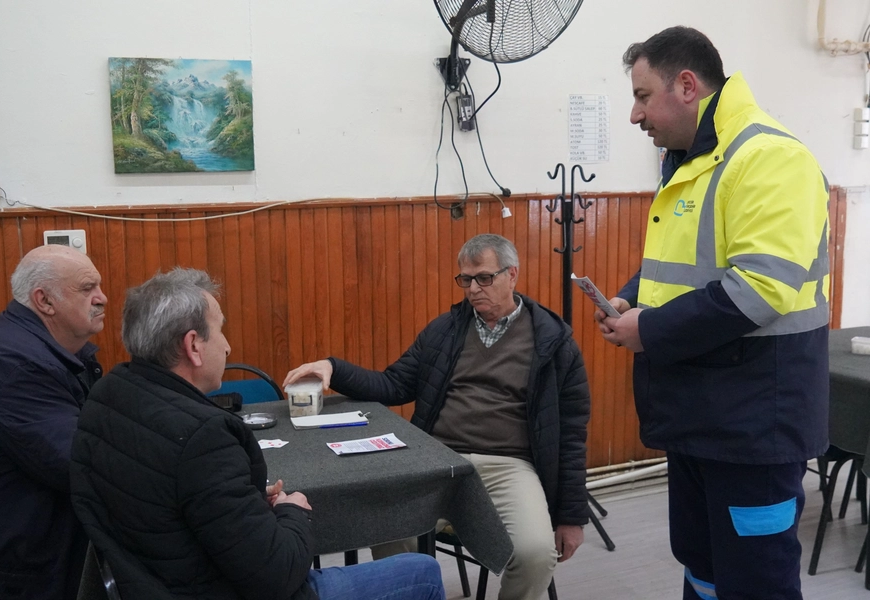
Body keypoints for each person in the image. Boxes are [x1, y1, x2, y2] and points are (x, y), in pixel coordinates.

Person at [596, 26, 829, 600]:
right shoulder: (692, 160)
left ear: (686, 85)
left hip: (753, 426)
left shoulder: (768, 157)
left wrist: (649, 328)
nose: (634, 114)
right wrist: (633, 296)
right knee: (700, 567)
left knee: (756, 582)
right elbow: (690, 266)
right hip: (699, 415)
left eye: (642, 96)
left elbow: (760, 287)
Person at [69, 268, 445, 600]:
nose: (228, 345)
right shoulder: (204, 437)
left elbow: (176, 501)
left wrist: (242, 499)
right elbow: (278, 576)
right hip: (213, 588)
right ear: (193, 346)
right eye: (221, 331)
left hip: (149, 581)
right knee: (422, 571)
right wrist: (292, 511)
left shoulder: (106, 396)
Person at [285, 233, 591, 600]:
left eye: (484, 278)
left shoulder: (553, 341)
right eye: (466, 279)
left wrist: (572, 516)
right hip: (437, 460)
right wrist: (334, 368)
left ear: (512, 275)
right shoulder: (445, 331)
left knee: (536, 555)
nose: (473, 289)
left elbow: (571, 434)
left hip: (510, 466)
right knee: (385, 528)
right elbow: (394, 385)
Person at [0, 244, 107, 600]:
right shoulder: (17, 367)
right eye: (87, 288)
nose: (102, 298)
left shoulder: (47, 353)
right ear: (44, 301)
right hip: (21, 570)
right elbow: (82, 464)